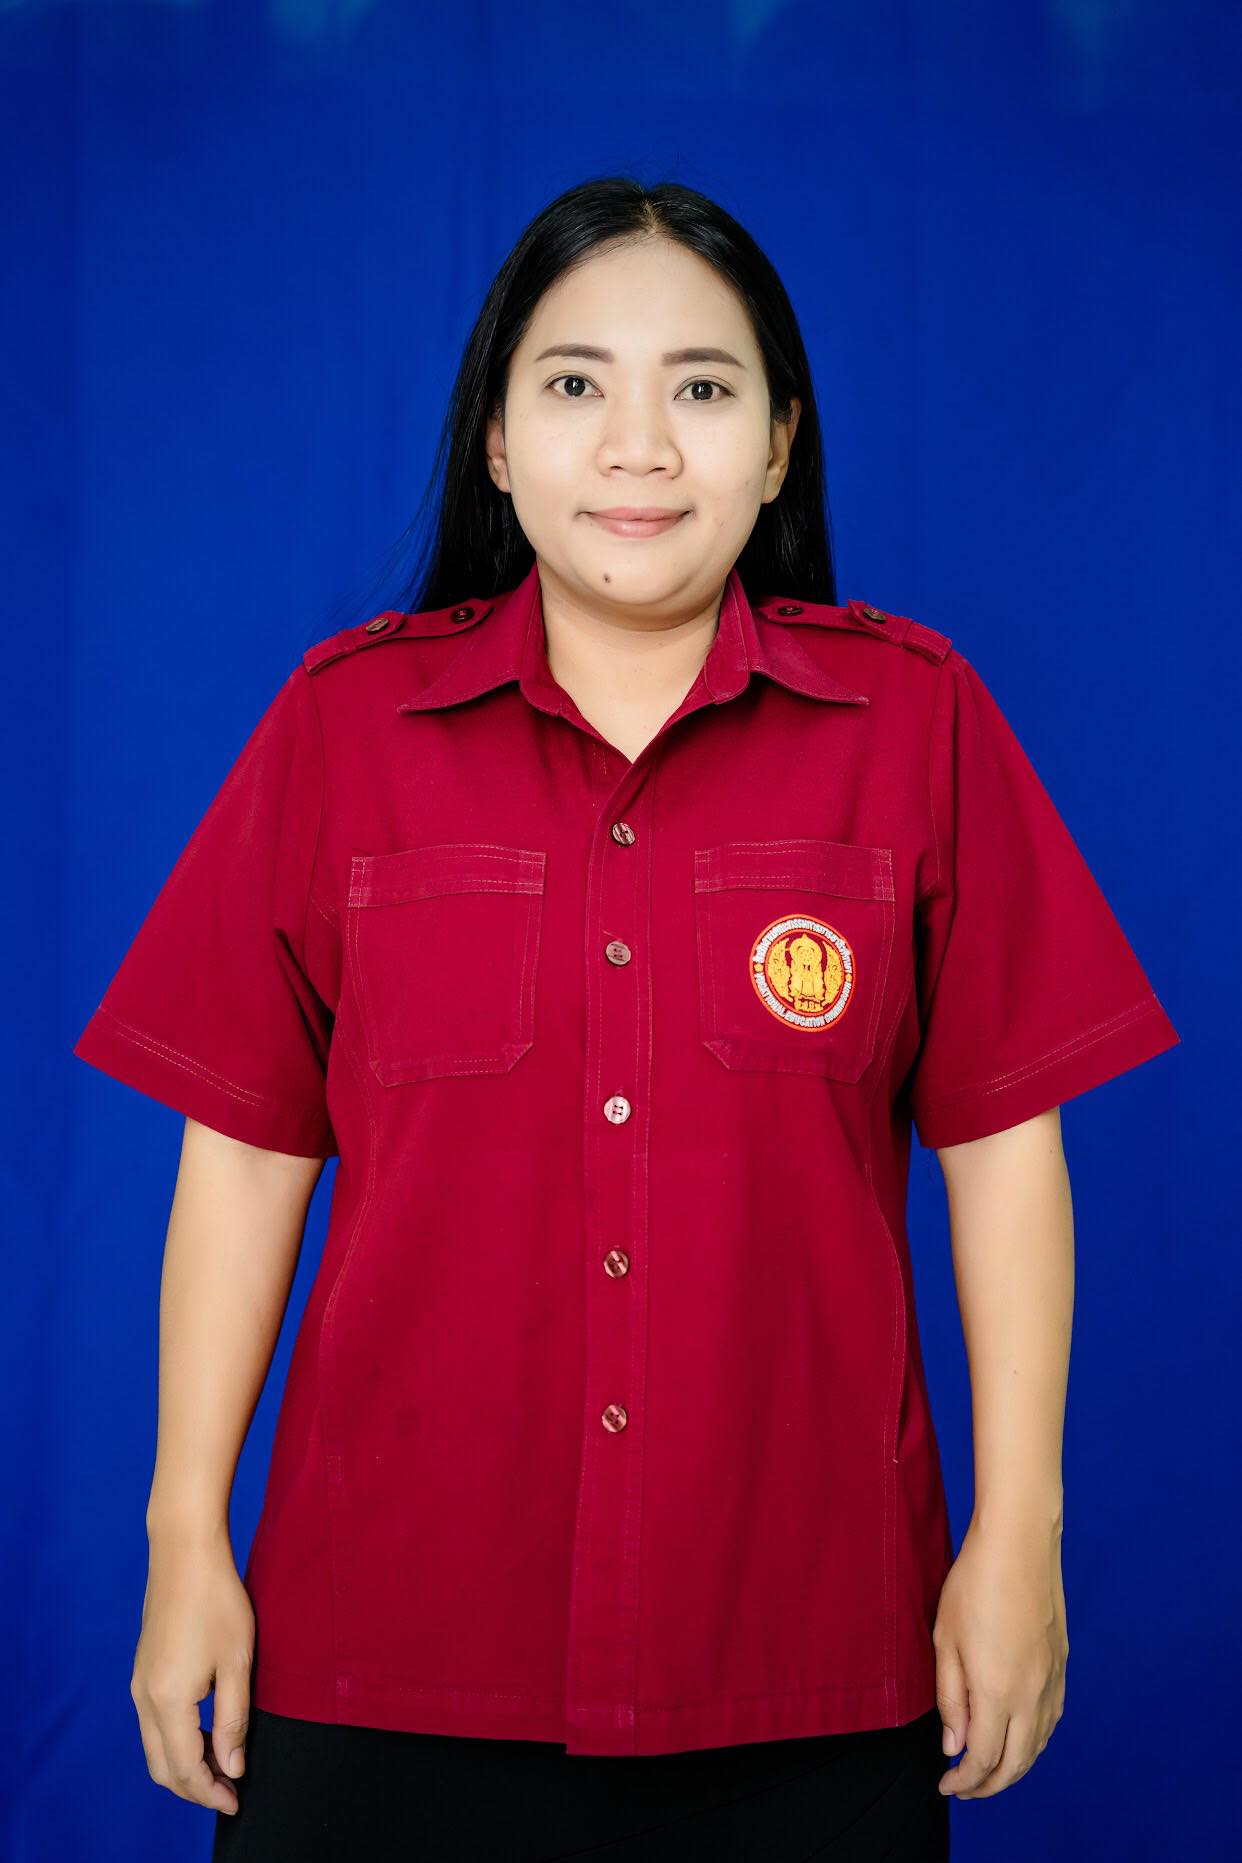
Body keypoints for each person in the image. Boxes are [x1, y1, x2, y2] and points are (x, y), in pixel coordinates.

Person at [72, 176, 1180, 1861]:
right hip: (382, 1643)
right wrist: (184, 1542)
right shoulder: (344, 727)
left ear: (779, 445)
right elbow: (242, 1157)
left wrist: (1015, 1537)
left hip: (803, 1647)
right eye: (575, 383)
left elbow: (1004, 1152)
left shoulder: (915, 723)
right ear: (497, 441)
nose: (639, 447)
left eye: (704, 388)